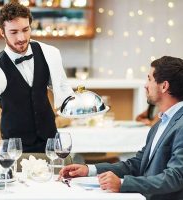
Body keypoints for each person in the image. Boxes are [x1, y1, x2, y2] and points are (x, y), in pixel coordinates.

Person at [59, 56, 183, 200]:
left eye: (149, 79)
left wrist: (123, 183)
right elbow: (136, 164)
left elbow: (176, 177)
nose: (145, 85)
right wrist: (89, 169)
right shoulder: (160, 124)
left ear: (164, 86)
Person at [0, 2, 73, 159]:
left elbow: (63, 88)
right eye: (13, 32)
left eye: (25, 30)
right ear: (2, 32)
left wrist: (81, 106)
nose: (21, 38)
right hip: (15, 150)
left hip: (51, 145)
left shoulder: (49, 53)